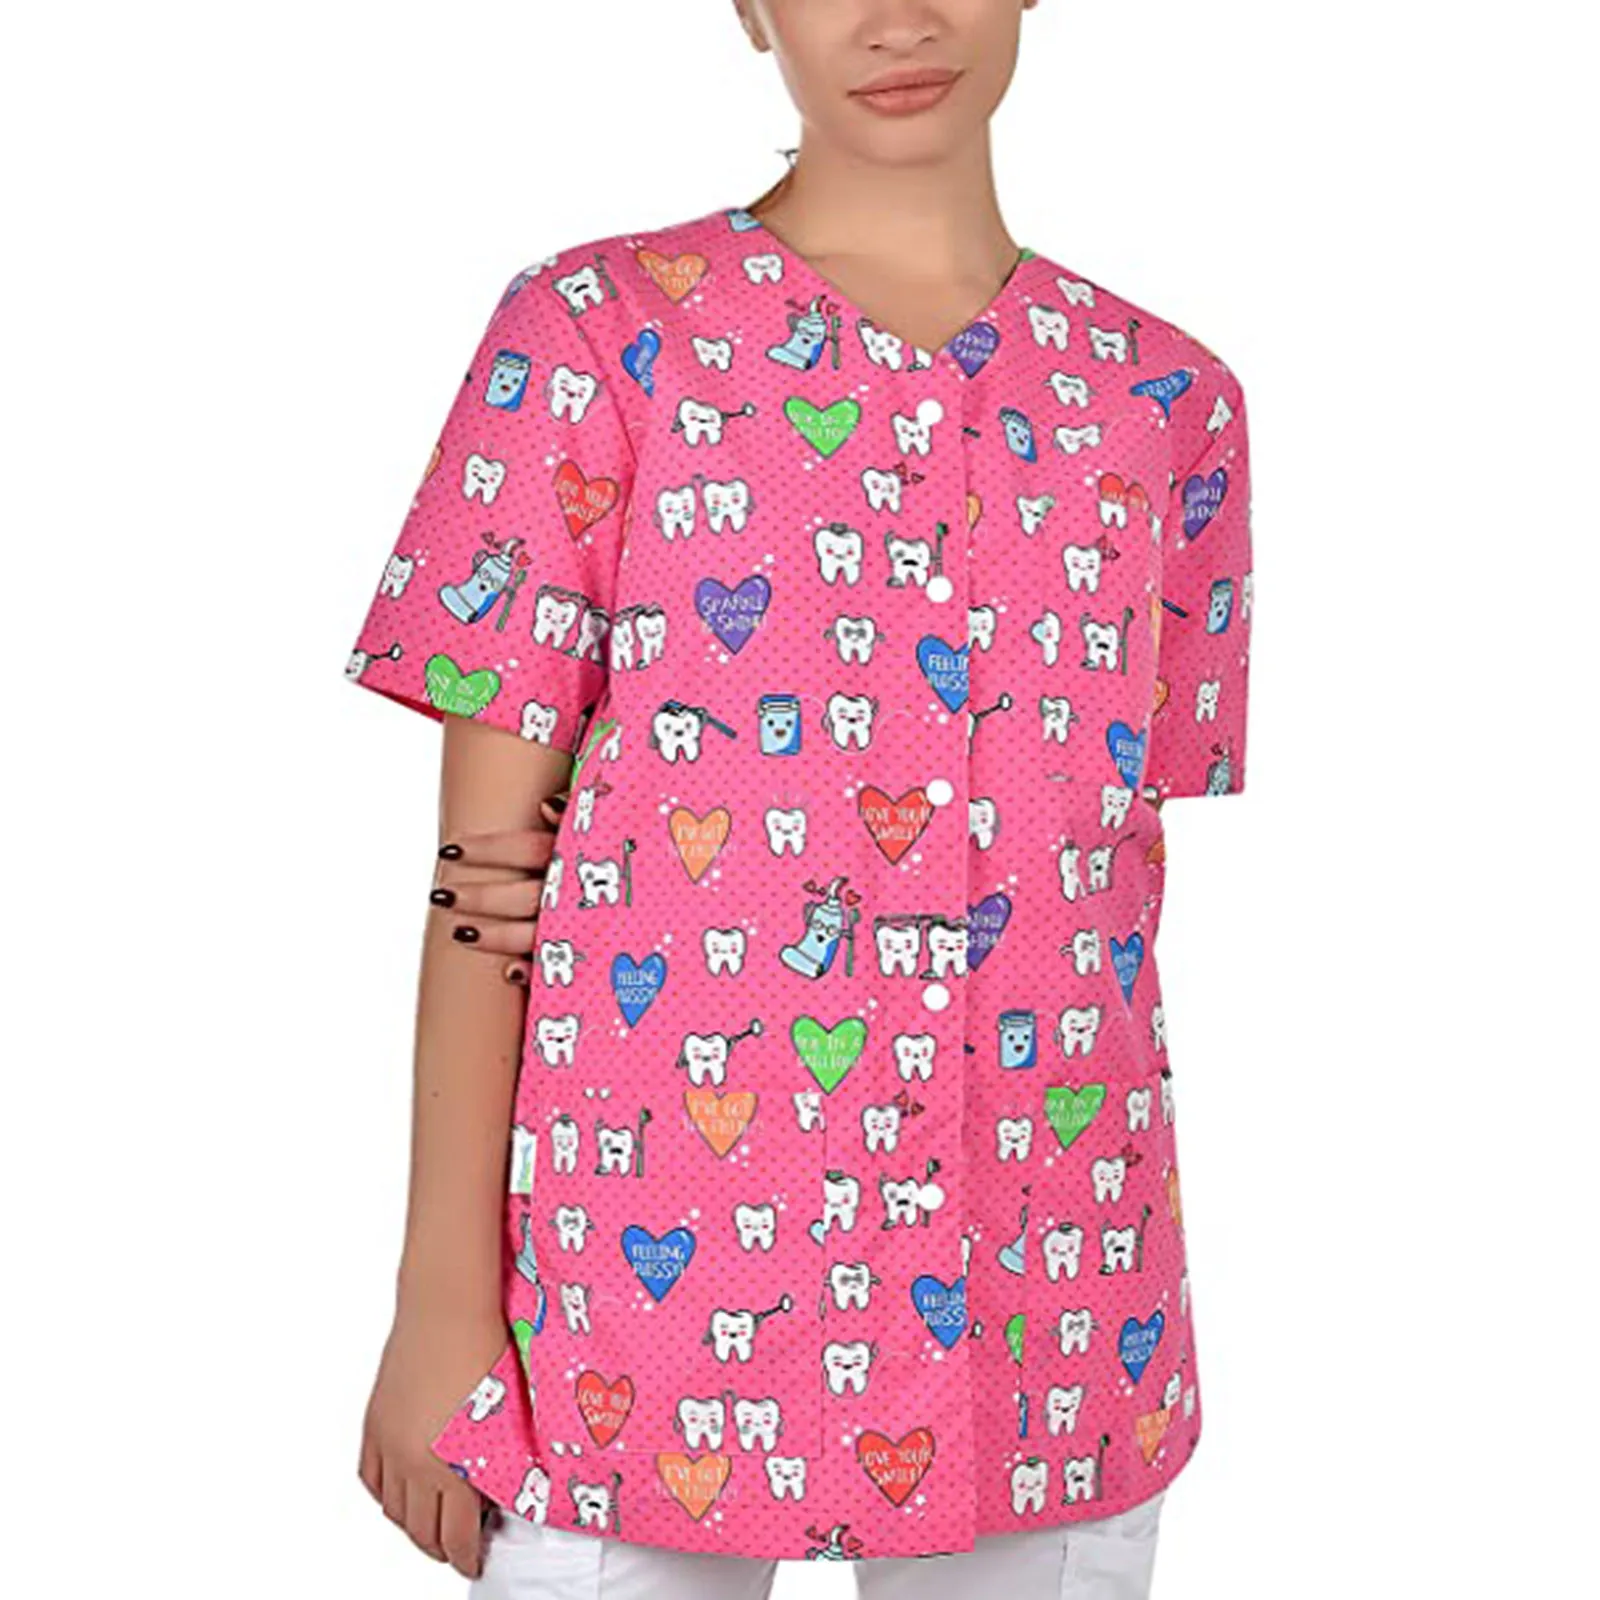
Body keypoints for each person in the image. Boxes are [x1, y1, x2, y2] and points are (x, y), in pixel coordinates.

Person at [341, 2, 1252, 1595]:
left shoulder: (1165, 402)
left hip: (1049, 1304)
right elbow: (489, 871)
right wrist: (439, 1307)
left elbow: (1108, 870)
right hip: (638, 1318)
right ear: (749, 6)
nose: (899, 20)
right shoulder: (598, 336)